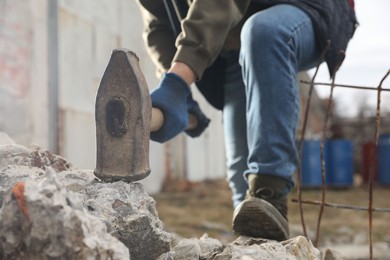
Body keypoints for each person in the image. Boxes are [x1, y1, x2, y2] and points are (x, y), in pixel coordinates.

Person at [136, 0, 357, 241]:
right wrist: (175, 85)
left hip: (304, 8)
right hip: (235, 40)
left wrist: (179, 81)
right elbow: (158, 24)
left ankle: (271, 191)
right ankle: (260, 244)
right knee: (245, 189)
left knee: (266, 32)